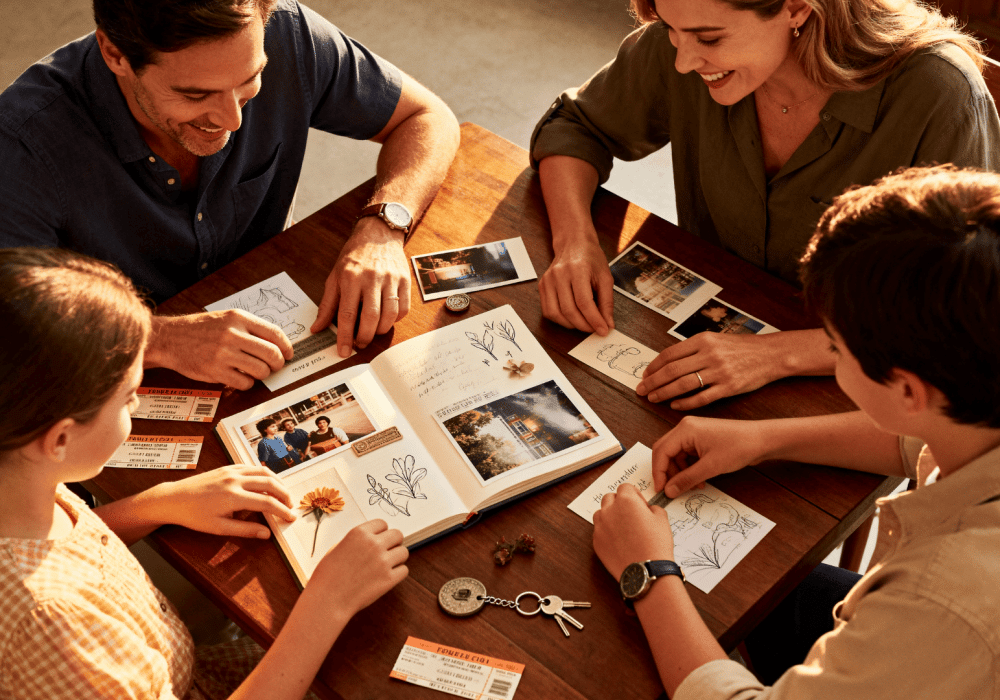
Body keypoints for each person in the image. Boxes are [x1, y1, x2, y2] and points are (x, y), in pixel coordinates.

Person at [592, 165, 1000, 698]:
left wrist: (646, 573)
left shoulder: (941, 602)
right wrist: (765, 438)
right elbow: (921, 440)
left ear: (906, 389)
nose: (827, 351)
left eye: (835, 342)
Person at [531, 0, 1000, 411]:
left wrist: (777, 354)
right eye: (671, 30)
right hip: (699, 348)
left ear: (796, 8)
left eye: (710, 38)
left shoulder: (939, 94)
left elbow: (965, 316)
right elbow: (575, 127)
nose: (683, 61)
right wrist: (575, 242)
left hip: (870, 393)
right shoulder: (681, 42)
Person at [0, 247, 409, 699]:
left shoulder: (20, 483)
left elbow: (61, 547)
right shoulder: (54, 625)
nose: (135, 404)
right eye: (128, 397)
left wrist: (160, 503)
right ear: (59, 440)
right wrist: (327, 604)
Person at [0, 0, 460, 390]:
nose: (231, 120)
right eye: (195, 94)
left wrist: (381, 228)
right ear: (114, 53)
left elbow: (427, 118)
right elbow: (14, 333)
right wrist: (158, 339)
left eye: (248, 81)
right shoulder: (20, 143)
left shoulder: (287, 32)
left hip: (279, 343)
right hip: (114, 380)